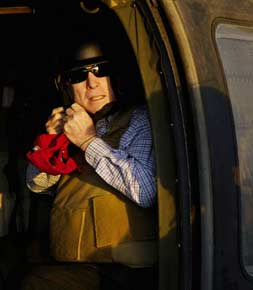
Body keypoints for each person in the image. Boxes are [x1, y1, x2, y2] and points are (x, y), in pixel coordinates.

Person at [20, 35, 158, 290]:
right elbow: (37, 185)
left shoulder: (138, 120)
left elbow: (146, 190)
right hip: (73, 263)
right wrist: (51, 142)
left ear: (115, 78)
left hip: (124, 272)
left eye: (100, 71)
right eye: (79, 76)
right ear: (67, 87)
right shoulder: (69, 128)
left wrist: (87, 142)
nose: (92, 83)